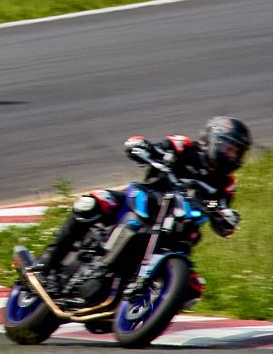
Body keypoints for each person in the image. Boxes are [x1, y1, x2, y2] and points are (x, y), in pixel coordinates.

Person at [32, 116, 251, 276]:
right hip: (148, 198)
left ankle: (156, 287)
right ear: (213, 140)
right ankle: (46, 261)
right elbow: (156, 149)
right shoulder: (184, 147)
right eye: (228, 148)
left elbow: (222, 211)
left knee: (192, 278)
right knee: (90, 204)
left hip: (180, 225)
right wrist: (143, 148)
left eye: (236, 152)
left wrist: (225, 218)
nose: (231, 155)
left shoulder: (226, 184)